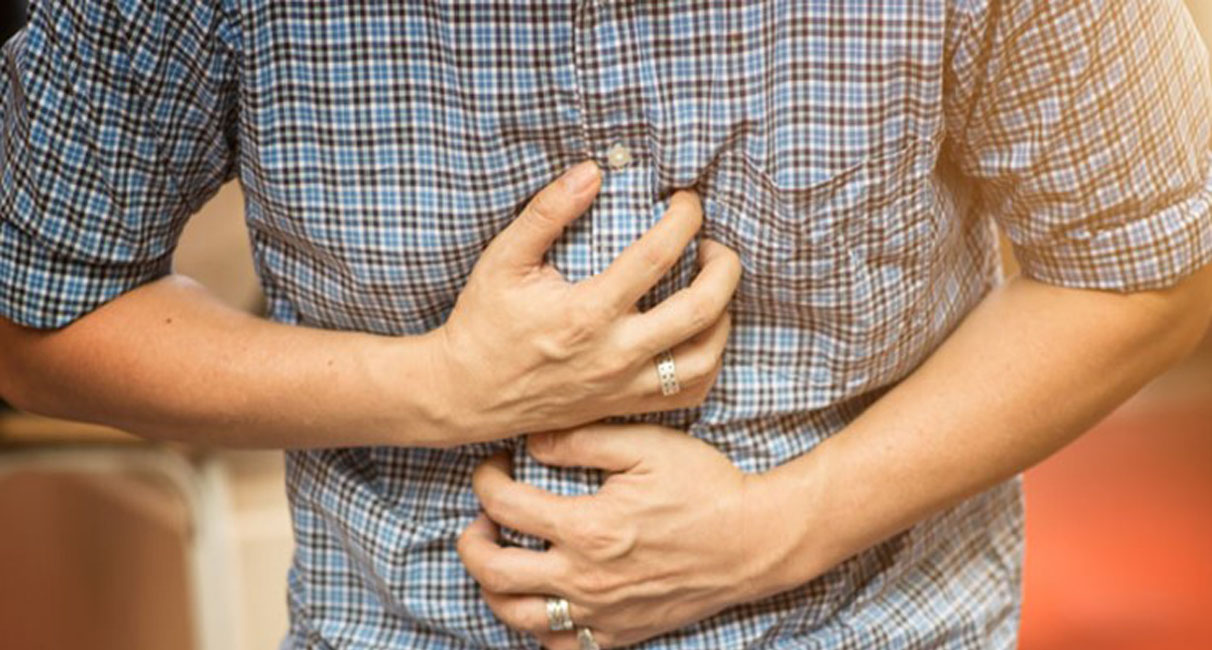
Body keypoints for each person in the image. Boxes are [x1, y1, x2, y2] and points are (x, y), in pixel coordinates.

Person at [2, 1, 1211, 648]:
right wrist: (442, 386)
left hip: (880, 625)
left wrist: (777, 528)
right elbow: (36, 309)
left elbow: (1158, 262)